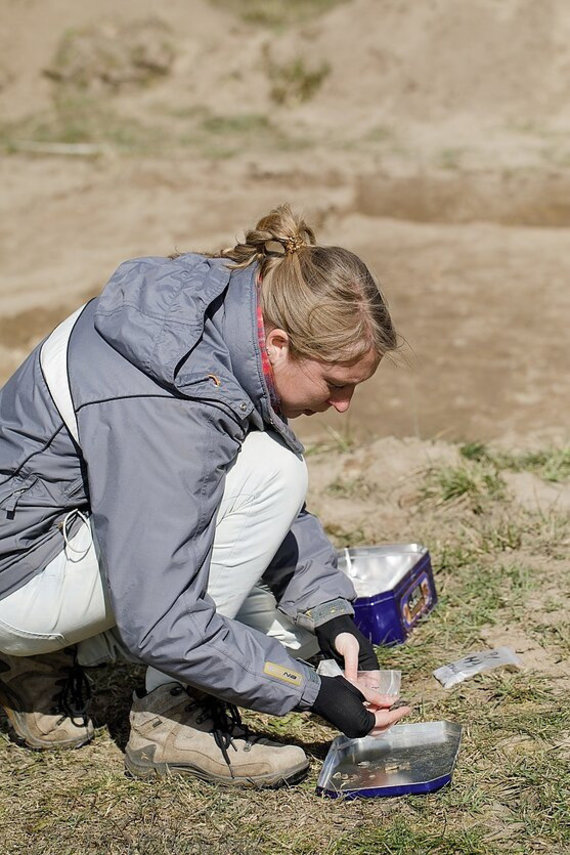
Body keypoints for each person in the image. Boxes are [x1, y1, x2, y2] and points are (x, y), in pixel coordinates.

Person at [0, 204, 410, 788]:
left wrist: (332, 618)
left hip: (35, 528)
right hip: (15, 577)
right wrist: (311, 692)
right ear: (278, 341)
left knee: (265, 490)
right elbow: (160, 619)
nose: (343, 405)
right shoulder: (172, 399)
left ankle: (36, 661)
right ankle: (170, 711)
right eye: (336, 382)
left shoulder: (215, 313)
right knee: (273, 469)